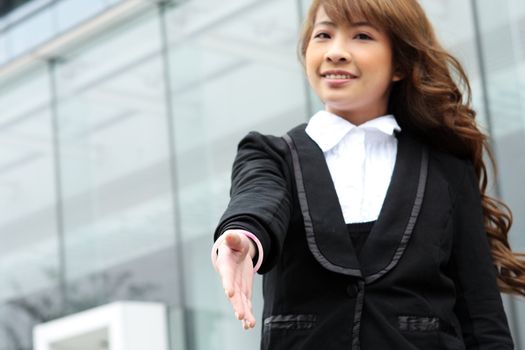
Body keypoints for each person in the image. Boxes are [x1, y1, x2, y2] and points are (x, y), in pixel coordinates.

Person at [211, 0, 525, 349]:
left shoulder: (446, 168)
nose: (336, 52)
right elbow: (258, 198)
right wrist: (242, 235)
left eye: (361, 35)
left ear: (400, 64)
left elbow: (482, 317)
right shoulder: (272, 154)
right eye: (323, 35)